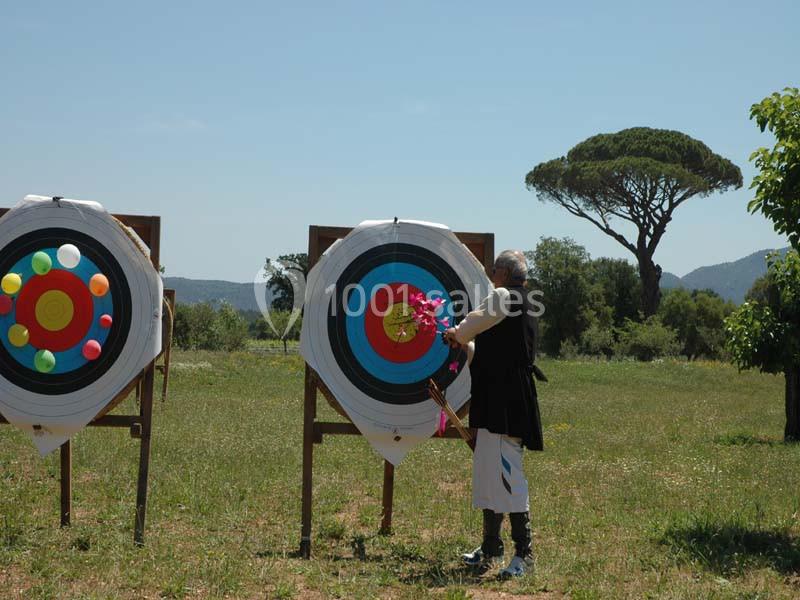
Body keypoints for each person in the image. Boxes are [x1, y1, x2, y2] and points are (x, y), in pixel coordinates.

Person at [443, 250, 544, 578]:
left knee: (508, 476)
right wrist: (464, 343)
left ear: (505, 273)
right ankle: (490, 547)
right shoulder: (519, 301)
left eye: (494, 269)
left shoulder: (504, 296)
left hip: (505, 400)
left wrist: (457, 334)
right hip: (498, 396)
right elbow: (492, 349)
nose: (491, 274)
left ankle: (525, 555)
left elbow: (471, 325)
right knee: (488, 472)